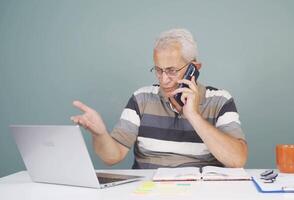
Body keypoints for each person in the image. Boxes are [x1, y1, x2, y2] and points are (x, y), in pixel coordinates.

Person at [71, 28, 248, 169]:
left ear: (194, 68)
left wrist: (193, 115)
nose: (164, 80)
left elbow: (237, 160)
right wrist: (100, 134)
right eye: (158, 70)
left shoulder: (220, 100)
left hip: (200, 192)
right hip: (148, 191)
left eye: (171, 70)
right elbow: (112, 157)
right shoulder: (141, 99)